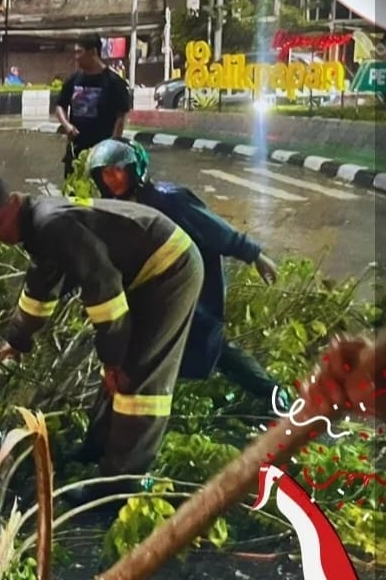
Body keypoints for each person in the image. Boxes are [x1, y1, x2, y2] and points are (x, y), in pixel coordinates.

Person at [0, 174, 204, 506]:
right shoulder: (38, 228)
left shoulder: (49, 224)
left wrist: (112, 358)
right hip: (147, 272)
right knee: (117, 372)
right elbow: (40, 289)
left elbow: (102, 286)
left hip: (169, 269)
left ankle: (117, 486)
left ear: (14, 201)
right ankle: (96, 450)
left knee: (137, 382)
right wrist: (17, 340)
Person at [85, 138, 285, 406]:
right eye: (106, 173)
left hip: (191, 289)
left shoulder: (169, 200)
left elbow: (214, 230)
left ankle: (273, 395)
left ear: (134, 168)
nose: (113, 179)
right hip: (150, 297)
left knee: (213, 349)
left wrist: (254, 255)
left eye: (118, 169)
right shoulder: (115, 212)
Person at [55, 33, 131, 178]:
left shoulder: (114, 82)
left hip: (101, 154)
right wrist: (67, 126)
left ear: (93, 52)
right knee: (73, 195)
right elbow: (60, 105)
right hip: (76, 151)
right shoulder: (73, 80)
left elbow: (121, 117)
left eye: (79, 52)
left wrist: (111, 147)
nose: (76, 56)